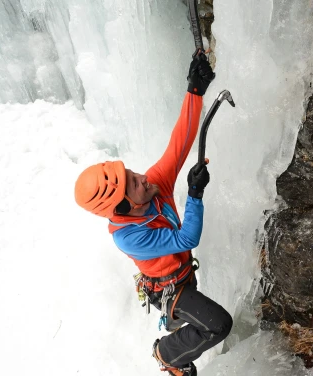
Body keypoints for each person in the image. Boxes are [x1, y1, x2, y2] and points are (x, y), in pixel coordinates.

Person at [74, 53, 232, 376]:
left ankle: (176, 340)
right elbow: (186, 237)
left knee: (205, 321)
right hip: (171, 293)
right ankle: (167, 354)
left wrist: (195, 91)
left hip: (184, 276)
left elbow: (179, 144)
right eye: (134, 183)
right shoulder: (129, 237)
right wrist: (196, 195)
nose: (144, 178)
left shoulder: (152, 186)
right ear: (123, 208)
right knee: (218, 325)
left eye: (133, 173)